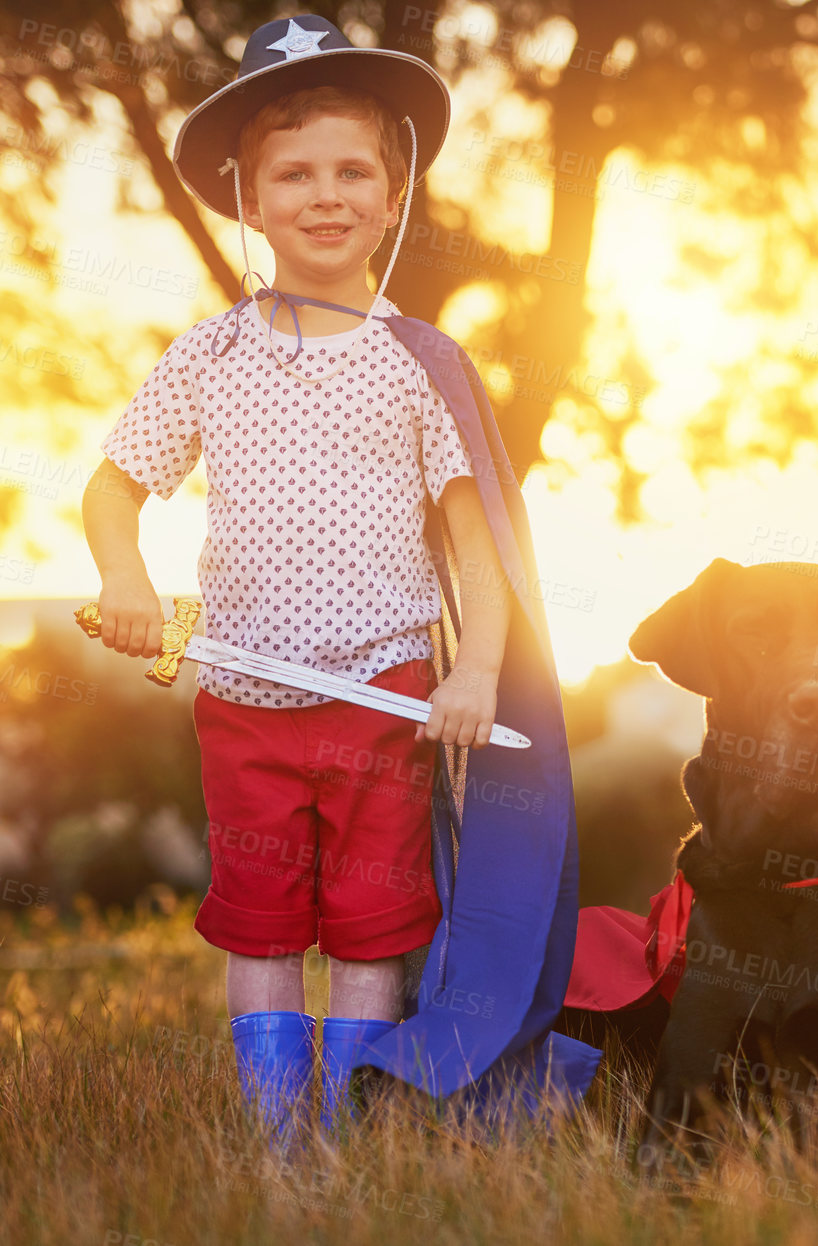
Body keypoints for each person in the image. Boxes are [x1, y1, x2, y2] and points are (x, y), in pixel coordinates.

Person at [80, 14, 598, 1143]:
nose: (326, 195)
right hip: (245, 704)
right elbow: (114, 489)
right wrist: (126, 576)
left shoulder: (420, 365)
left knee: (372, 931)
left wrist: (475, 671)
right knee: (263, 929)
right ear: (248, 198)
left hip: (387, 699)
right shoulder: (207, 357)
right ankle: (281, 1151)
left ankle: (354, 1138)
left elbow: (479, 540)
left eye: (353, 169)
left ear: (395, 187)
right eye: (293, 173)